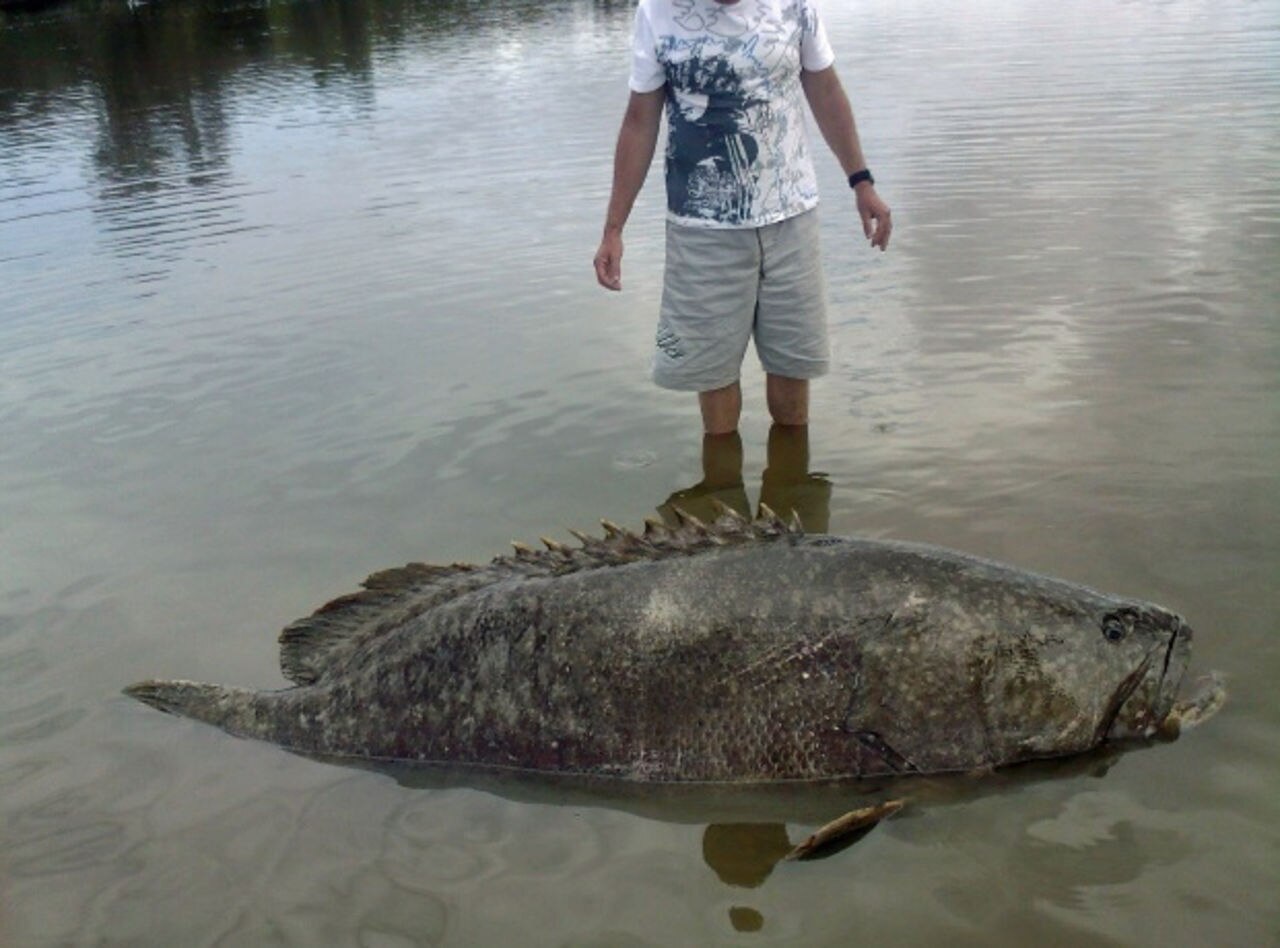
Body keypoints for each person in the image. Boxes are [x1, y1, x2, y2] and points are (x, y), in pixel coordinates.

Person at [593, 0, 891, 436]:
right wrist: (613, 229)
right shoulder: (656, 11)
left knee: (794, 371)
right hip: (701, 228)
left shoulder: (795, 6)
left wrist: (861, 181)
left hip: (792, 217)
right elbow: (640, 121)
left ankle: (788, 487)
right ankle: (722, 490)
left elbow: (825, 90)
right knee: (711, 378)